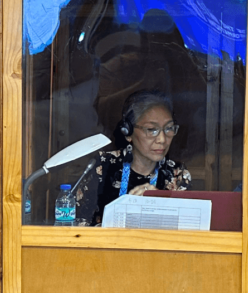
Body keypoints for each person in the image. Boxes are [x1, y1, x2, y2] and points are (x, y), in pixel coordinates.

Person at [79, 90, 192, 226]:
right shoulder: (103, 166)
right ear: (128, 133)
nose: (162, 139)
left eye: (169, 128)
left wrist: (161, 202)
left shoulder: (177, 174)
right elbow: (78, 225)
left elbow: (186, 228)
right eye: (151, 130)